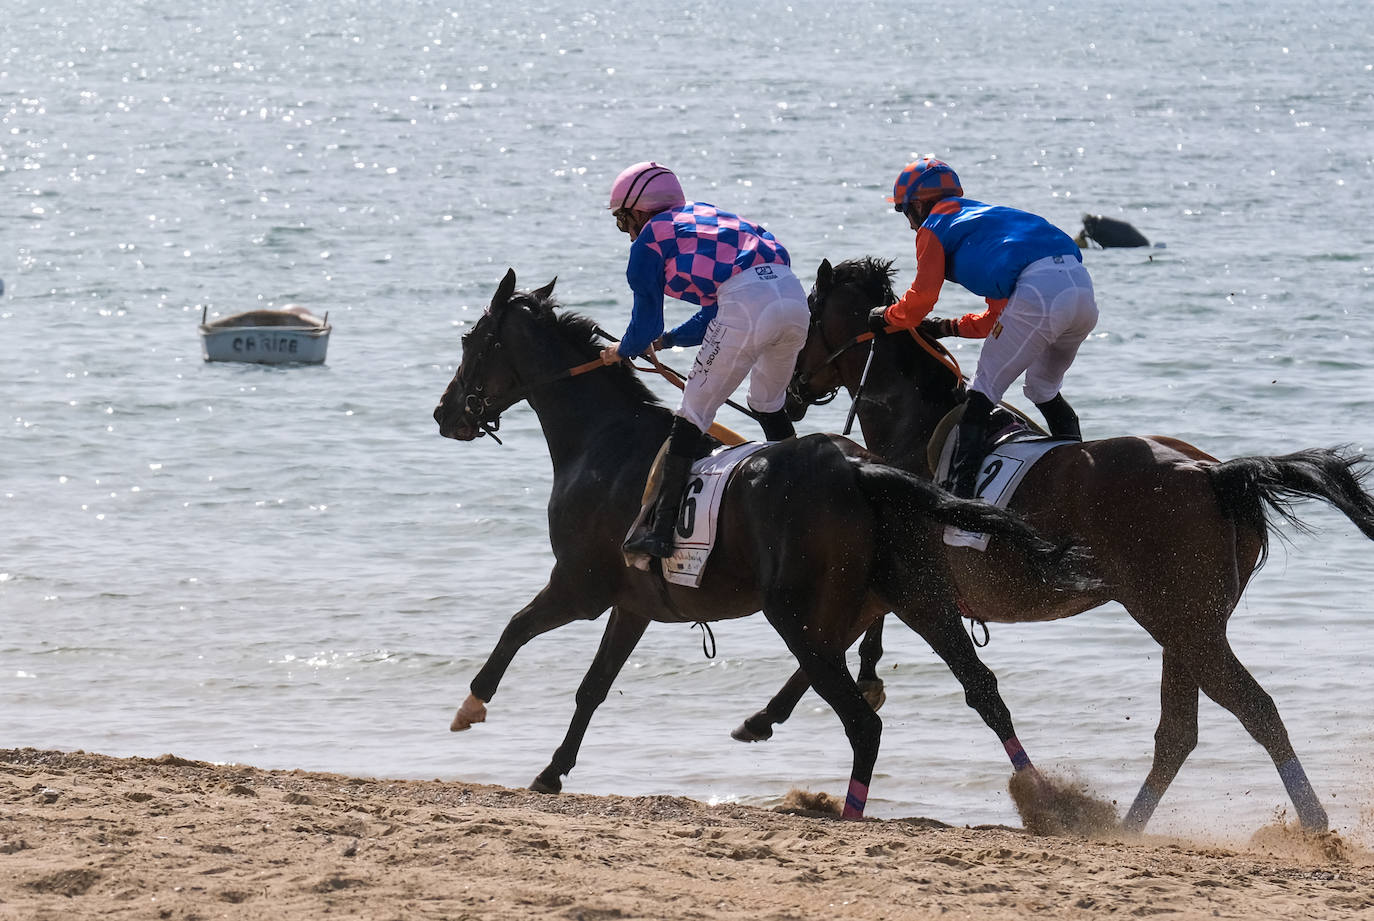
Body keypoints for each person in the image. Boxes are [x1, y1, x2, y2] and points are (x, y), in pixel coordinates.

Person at [599, 161, 809, 559]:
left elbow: (644, 323)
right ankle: (799, 488)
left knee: (693, 413)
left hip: (747, 305)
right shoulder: (708, 216)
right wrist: (671, 340)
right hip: (793, 299)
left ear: (638, 213)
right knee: (767, 403)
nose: (626, 232)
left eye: (622, 222)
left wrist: (620, 351)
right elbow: (716, 309)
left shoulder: (649, 242)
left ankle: (659, 532)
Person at [867, 157, 1098, 498]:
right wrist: (947, 327)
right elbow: (997, 319)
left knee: (982, 392)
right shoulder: (993, 221)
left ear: (917, 205)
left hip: (1040, 295)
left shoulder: (934, 227)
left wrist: (887, 316)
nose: (910, 224)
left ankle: (963, 501)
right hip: (1082, 293)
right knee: (1041, 389)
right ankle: (1077, 476)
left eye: (905, 212)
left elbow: (919, 302)